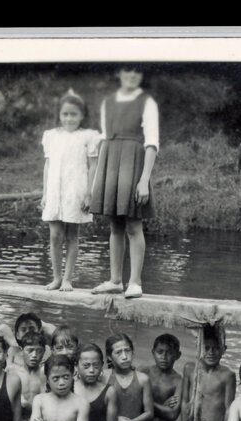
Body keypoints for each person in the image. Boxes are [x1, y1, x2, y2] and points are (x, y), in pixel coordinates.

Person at [89, 66, 160, 300]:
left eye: (137, 72)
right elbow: (103, 139)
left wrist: (143, 180)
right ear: (119, 73)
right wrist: (98, 179)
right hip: (110, 163)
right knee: (115, 226)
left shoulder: (146, 102)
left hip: (133, 162)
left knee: (133, 225)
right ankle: (115, 280)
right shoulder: (107, 102)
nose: (132, 76)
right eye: (127, 71)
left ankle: (135, 282)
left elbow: (151, 144)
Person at [40, 90, 101, 292]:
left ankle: (67, 279)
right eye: (65, 114)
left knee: (72, 235)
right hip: (55, 191)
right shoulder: (51, 136)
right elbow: (47, 167)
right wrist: (45, 194)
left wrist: (89, 193)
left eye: (74, 114)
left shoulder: (89, 136)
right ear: (59, 115)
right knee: (55, 235)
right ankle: (56, 277)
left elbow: (93, 166)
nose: (69, 118)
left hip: (76, 189)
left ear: (82, 115)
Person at [180, 324, 236, 421]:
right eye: (206, 348)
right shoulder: (189, 369)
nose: (211, 352)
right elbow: (184, 402)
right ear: (198, 347)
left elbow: (229, 410)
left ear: (224, 349)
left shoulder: (227, 375)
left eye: (216, 348)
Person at [28, 354, 89, 421]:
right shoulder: (39, 400)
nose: (61, 383)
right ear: (47, 380)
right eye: (55, 378)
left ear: (72, 376)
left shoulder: (81, 403)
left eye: (66, 377)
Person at [105, 333, 154, 421]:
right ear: (109, 357)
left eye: (127, 350)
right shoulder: (104, 377)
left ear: (133, 352)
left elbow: (149, 413)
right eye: (118, 352)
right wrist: (114, 420)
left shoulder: (143, 379)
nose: (124, 356)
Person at [76, 344, 118, 421]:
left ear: (102, 365)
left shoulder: (109, 391)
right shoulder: (69, 389)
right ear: (76, 365)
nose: (91, 370)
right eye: (86, 366)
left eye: (96, 365)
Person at [140, 333, 183, 421]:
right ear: (153, 352)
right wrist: (163, 407)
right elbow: (131, 401)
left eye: (169, 353)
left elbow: (172, 414)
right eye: (160, 352)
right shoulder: (144, 372)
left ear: (178, 355)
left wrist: (145, 402)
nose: (164, 357)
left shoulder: (179, 381)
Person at [9, 330, 47, 416]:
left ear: (44, 352)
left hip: (37, 418)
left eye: (39, 351)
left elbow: (46, 404)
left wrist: (26, 405)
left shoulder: (46, 374)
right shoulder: (13, 372)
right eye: (30, 350)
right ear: (21, 352)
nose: (34, 355)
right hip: (16, 418)